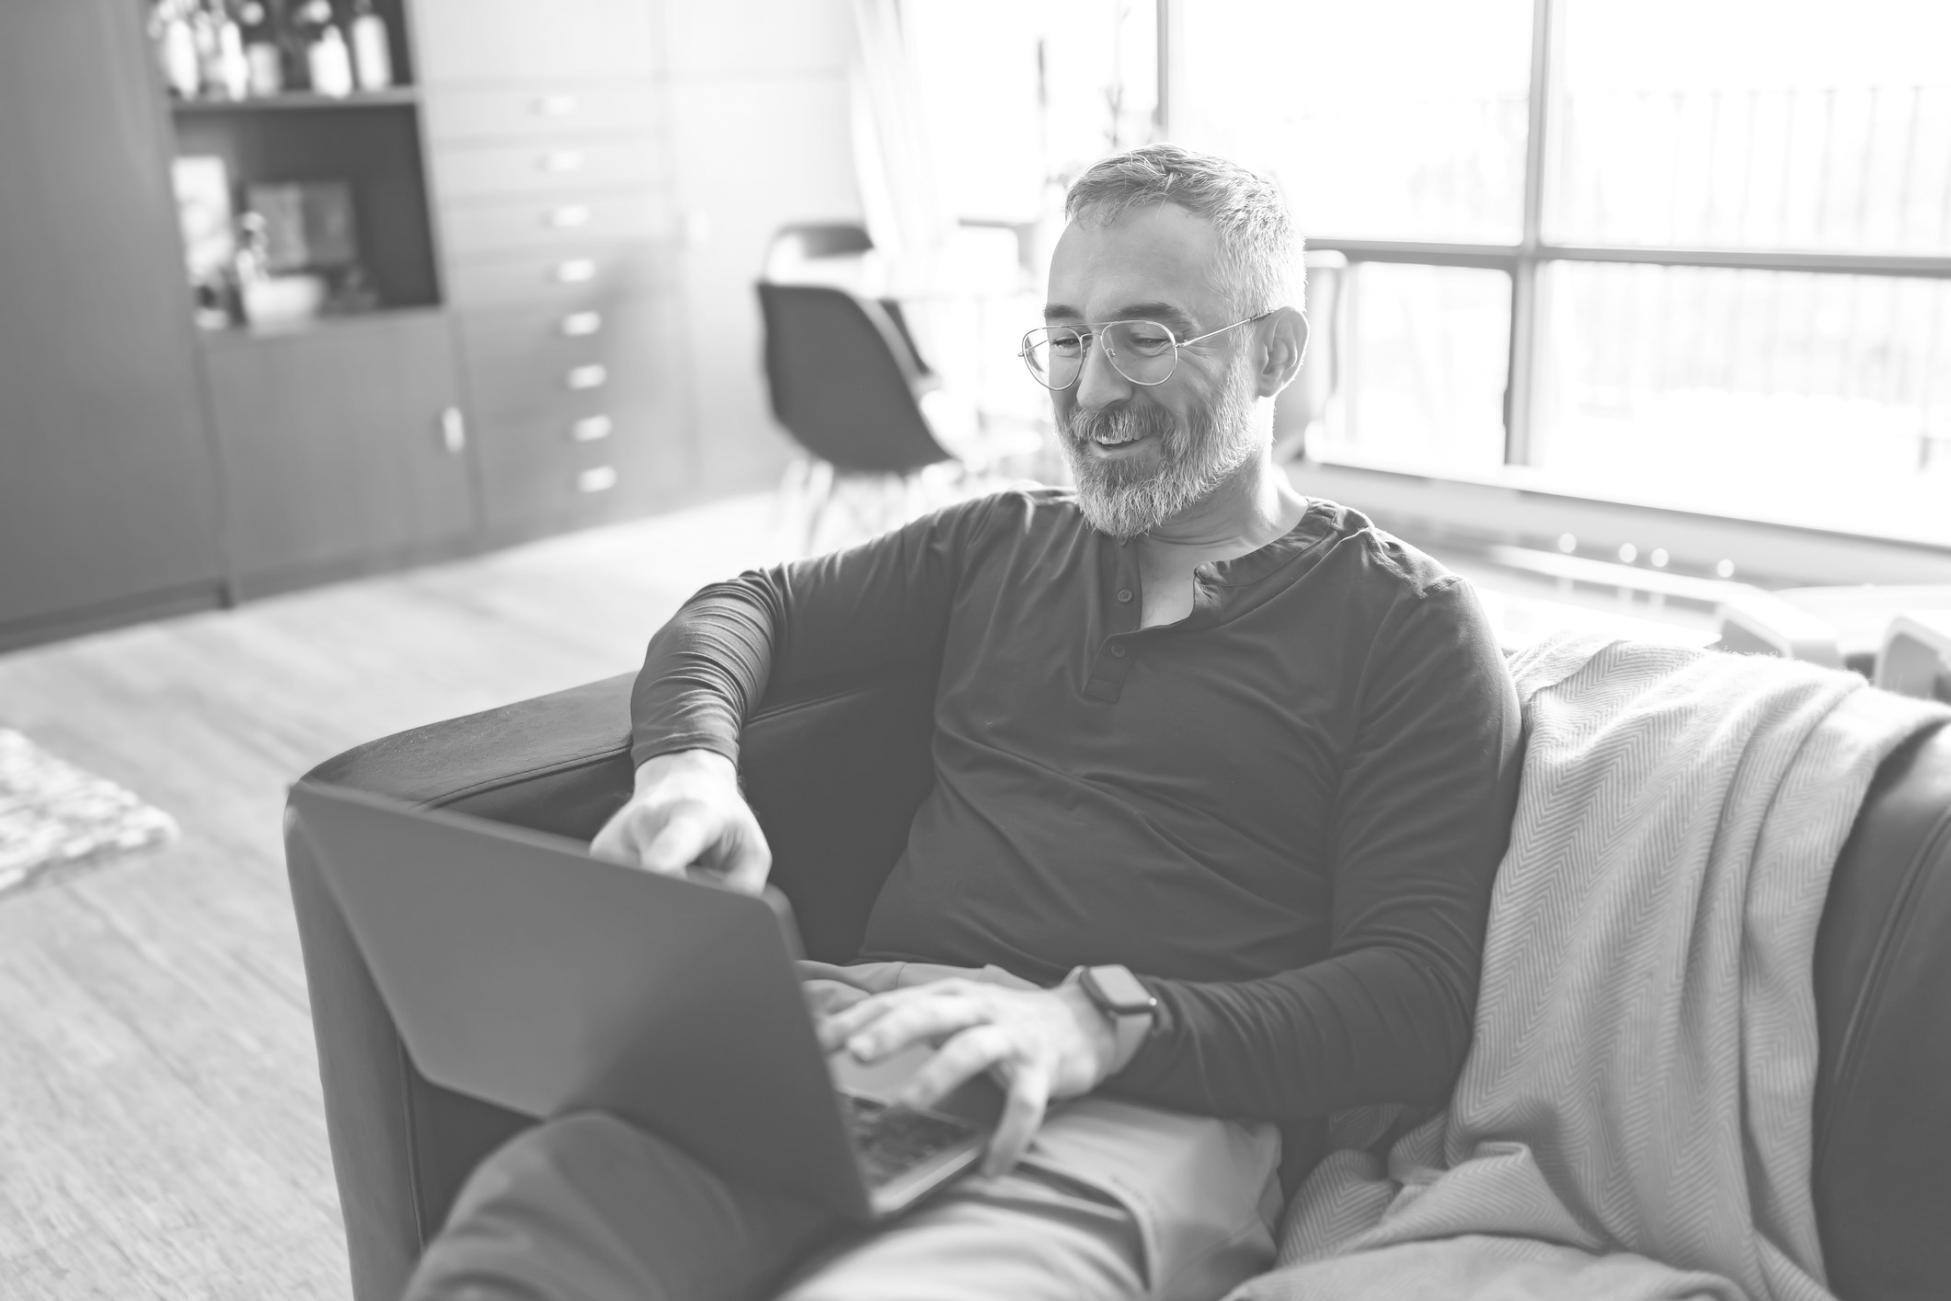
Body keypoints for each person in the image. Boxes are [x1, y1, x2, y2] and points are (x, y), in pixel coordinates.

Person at [404, 143, 1522, 1301]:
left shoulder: (1406, 625)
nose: (1091, 390)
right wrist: (687, 767)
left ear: (1275, 351)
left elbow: (1412, 998)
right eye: (1067, 337)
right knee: (522, 1246)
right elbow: (744, 608)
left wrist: (1100, 1021)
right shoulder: (998, 539)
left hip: (1143, 1106)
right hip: (857, 1037)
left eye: (1145, 336)